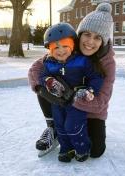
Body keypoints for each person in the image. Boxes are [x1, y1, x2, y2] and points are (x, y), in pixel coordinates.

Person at [28, 2, 115, 159]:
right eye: (87, 34)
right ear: (79, 35)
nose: (90, 42)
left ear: (103, 41)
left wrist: (71, 97)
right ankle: (53, 128)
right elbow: (35, 70)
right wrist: (43, 89)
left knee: (96, 151)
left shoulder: (107, 62)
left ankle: (78, 130)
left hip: (91, 110)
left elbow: (101, 101)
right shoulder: (66, 49)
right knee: (46, 80)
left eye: (97, 38)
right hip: (61, 106)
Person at [38, 22, 104, 162]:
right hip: (58, 102)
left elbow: (96, 76)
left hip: (76, 101)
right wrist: (49, 81)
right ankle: (66, 149)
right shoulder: (49, 63)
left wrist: (90, 90)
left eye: (65, 46)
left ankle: (81, 148)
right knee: (60, 125)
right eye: (55, 47)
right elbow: (41, 77)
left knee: (73, 126)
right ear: (50, 49)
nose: (60, 50)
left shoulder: (81, 61)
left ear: (72, 45)